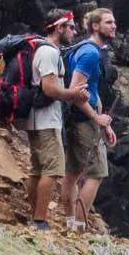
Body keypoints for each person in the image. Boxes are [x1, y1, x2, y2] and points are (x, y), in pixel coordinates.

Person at [25, 12, 89, 233]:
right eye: (70, 27)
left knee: (37, 169)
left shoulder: (43, 50)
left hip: (38, 119)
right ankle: (40, 220)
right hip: (46, 120)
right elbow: (49, 88)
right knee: (52, 170)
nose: (74, 31)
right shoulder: (48, 52)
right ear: (59, 28)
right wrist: (74, 94)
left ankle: (34, 216)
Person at [60, 6, 118, 231]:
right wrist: (96, 117)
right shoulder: (90, 53)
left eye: (113, 22)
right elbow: (76, 90)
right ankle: (80, 227)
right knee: (97, 173)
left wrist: (104, 124)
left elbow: (91, 89)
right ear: (95, 26)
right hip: (84, 120)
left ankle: (69, 223)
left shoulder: (88, 50)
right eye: (108, 22)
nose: (114, 26)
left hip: (81, 119)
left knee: (73, 172)